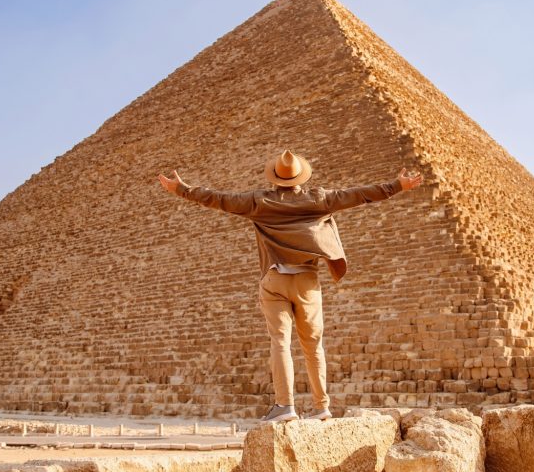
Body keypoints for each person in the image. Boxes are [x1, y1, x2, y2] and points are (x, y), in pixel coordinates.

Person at [157, 150, 422, 422]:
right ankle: (321, 407)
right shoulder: (319, 199)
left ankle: (285, 406)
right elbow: (359, 195)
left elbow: (218, 199)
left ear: (275, 178)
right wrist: (397, 186)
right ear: (300, 176)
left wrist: (182, 189)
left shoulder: (258, 201)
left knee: (280, 342)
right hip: (307, 282)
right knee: (313, 346)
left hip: (274, 281)